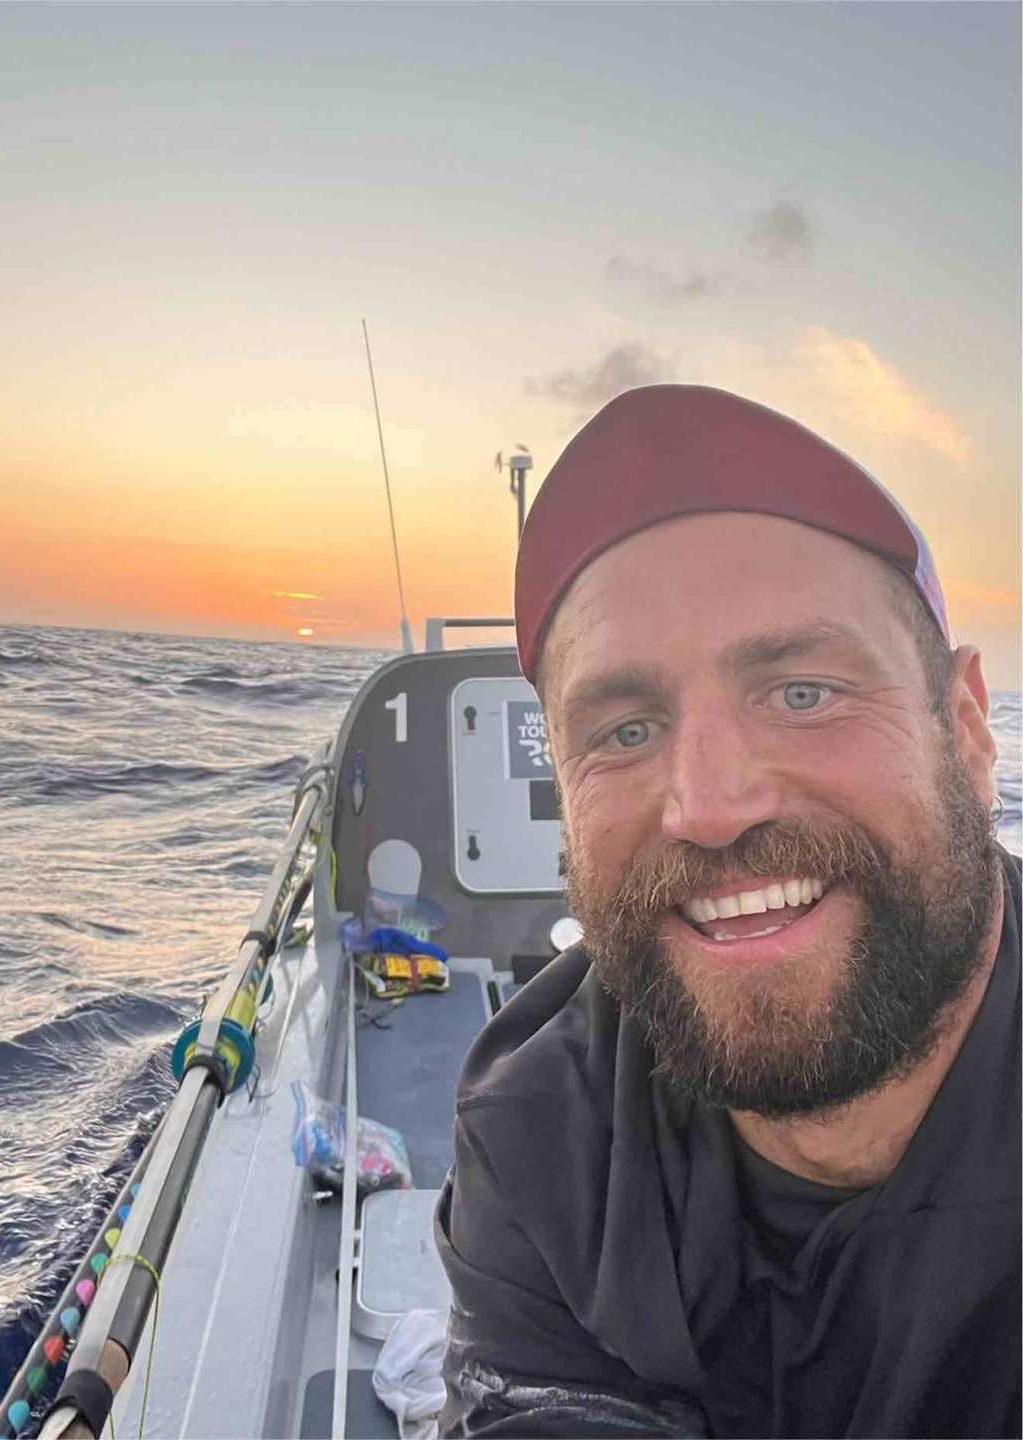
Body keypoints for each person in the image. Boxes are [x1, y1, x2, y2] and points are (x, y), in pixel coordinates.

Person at [435, 385, 1020, 1438]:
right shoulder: (544, 1140)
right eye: (624, 731)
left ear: (967, 730)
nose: (706, 808)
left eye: (801, 692)